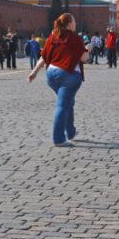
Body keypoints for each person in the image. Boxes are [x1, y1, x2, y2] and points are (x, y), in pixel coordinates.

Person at [28, 13, 90, 146]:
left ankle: (71, 131)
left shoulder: (53, 37)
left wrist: (34, 71)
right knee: (63, 105)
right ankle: (59, 139)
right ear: (68, 24)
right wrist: (88, 49)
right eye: (74, 21)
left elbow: (44, 57)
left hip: (51, 74)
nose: (75, 24)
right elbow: (84, 58)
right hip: (68, 75)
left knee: (68, 102)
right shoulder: (75, 38)